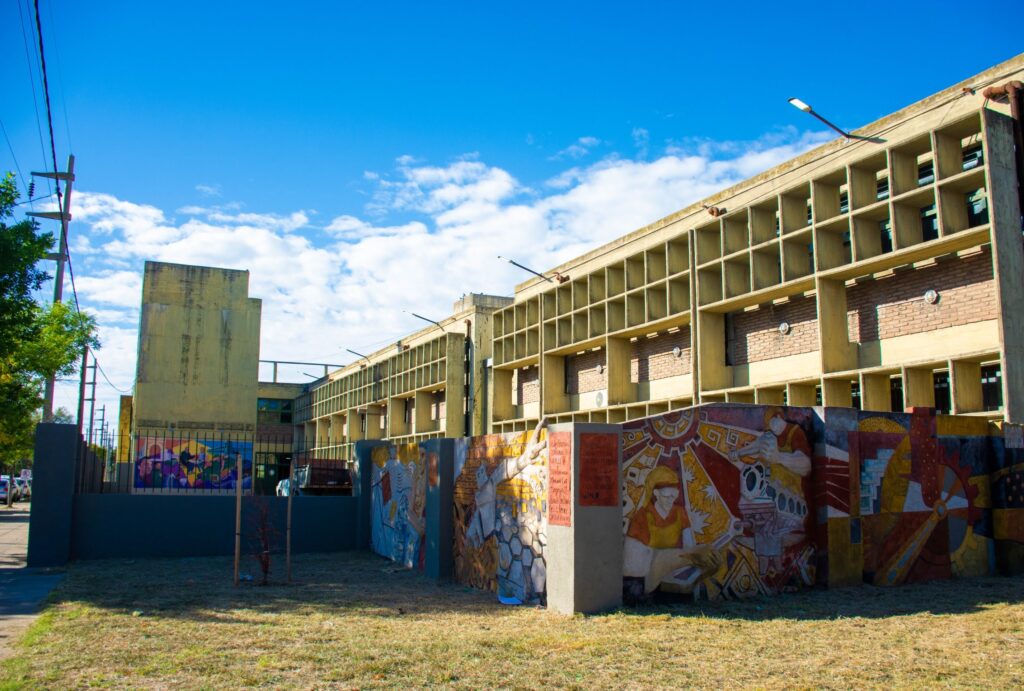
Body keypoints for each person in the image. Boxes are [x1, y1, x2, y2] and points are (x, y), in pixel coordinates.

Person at [623, 465, 723, 601]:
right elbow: (636, 565)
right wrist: (691, 554)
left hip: (672, 574)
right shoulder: (643, 517)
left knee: (704, 557)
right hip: (643, 578)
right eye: (666, 496)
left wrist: (699, 556)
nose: (671, 500)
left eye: (674, 495)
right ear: (656, 493)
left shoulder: (680, 513)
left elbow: (688, 547)